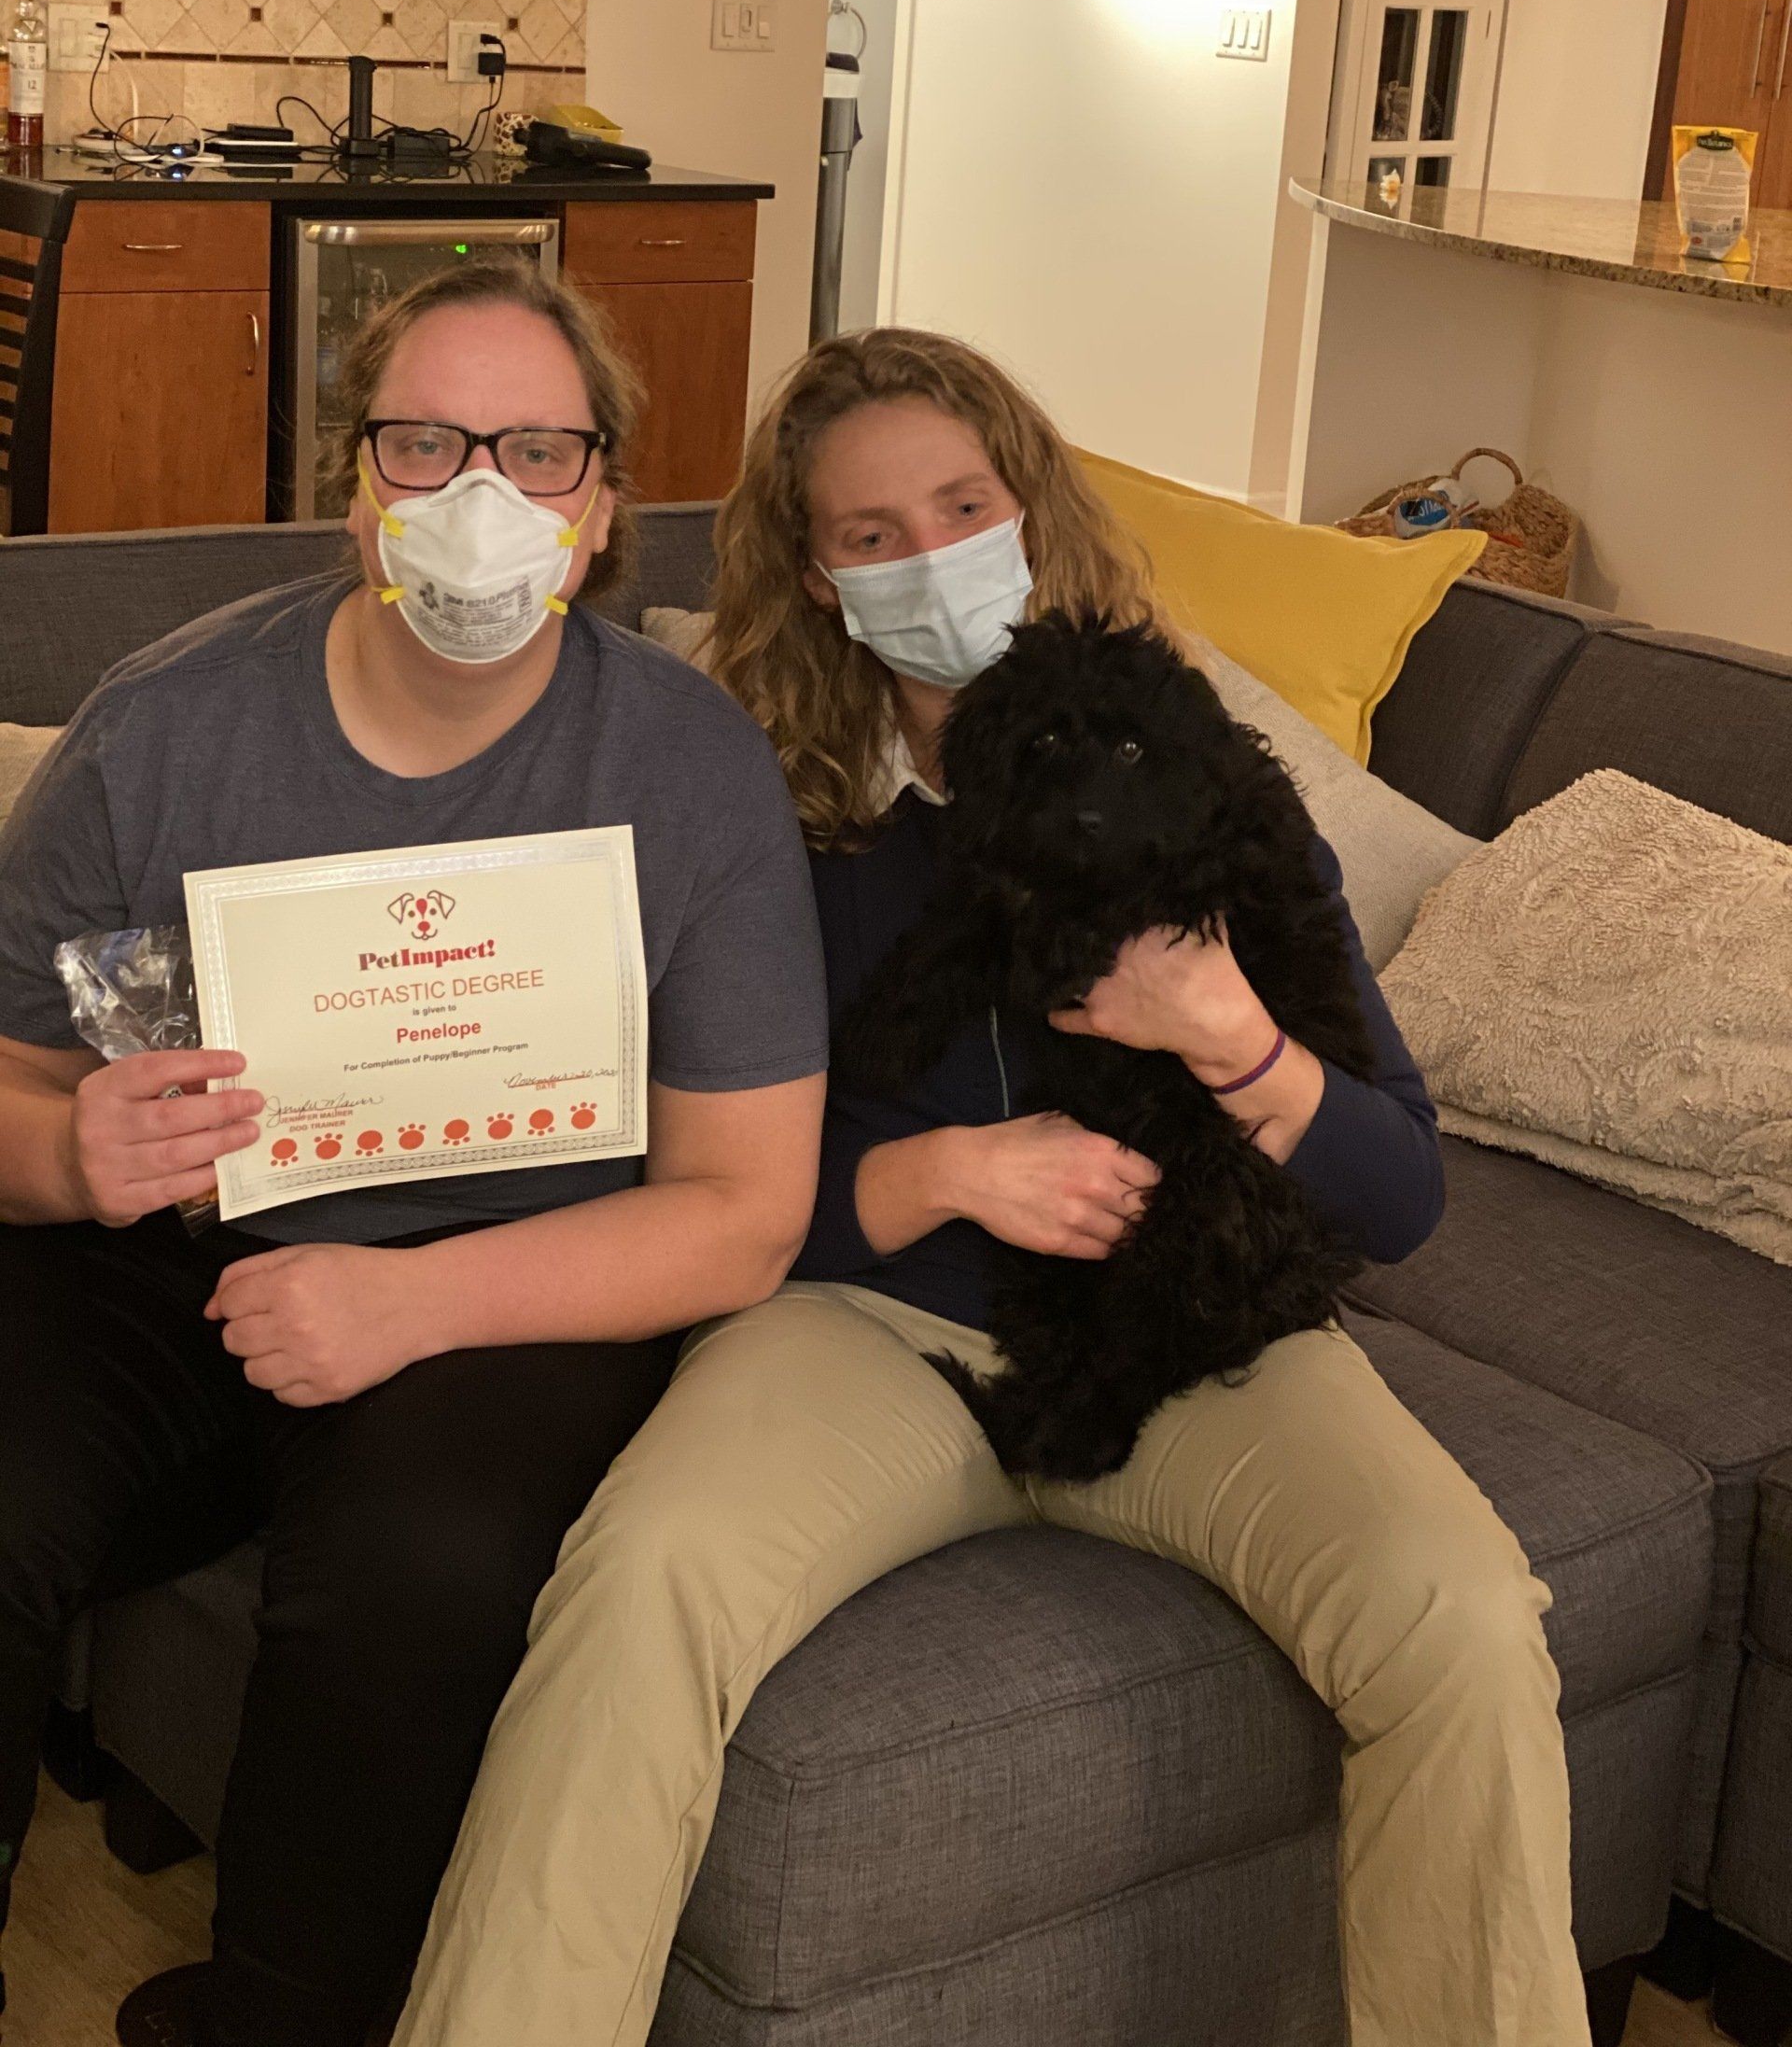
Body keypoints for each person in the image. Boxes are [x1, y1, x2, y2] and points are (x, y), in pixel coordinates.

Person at [395, 328, 1593, 2047]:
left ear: (1031, 511)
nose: (929, 556)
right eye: (871, 533)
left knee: (1469, 1622)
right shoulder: (769, 807)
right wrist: (932, 1174)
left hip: (1190, 1336)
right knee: (641, 1578)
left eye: (963, 506)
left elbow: (1398, 1199)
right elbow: (674, 1174)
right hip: (866, 1329)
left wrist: (1231, 1034)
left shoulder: (1211, 780)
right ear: (813, 573)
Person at [0, 259, 827, 2047]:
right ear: (351, 487)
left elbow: (747, 1212)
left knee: (427, 1578)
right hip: (170, 1251)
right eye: (424, 441)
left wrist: (411, 1302)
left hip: (495, 1289)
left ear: (603, 512)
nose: (476, 497)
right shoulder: (166, 726)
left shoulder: (685, 765)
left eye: (536, 452)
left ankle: (281, 2018)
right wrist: (69, 1151)